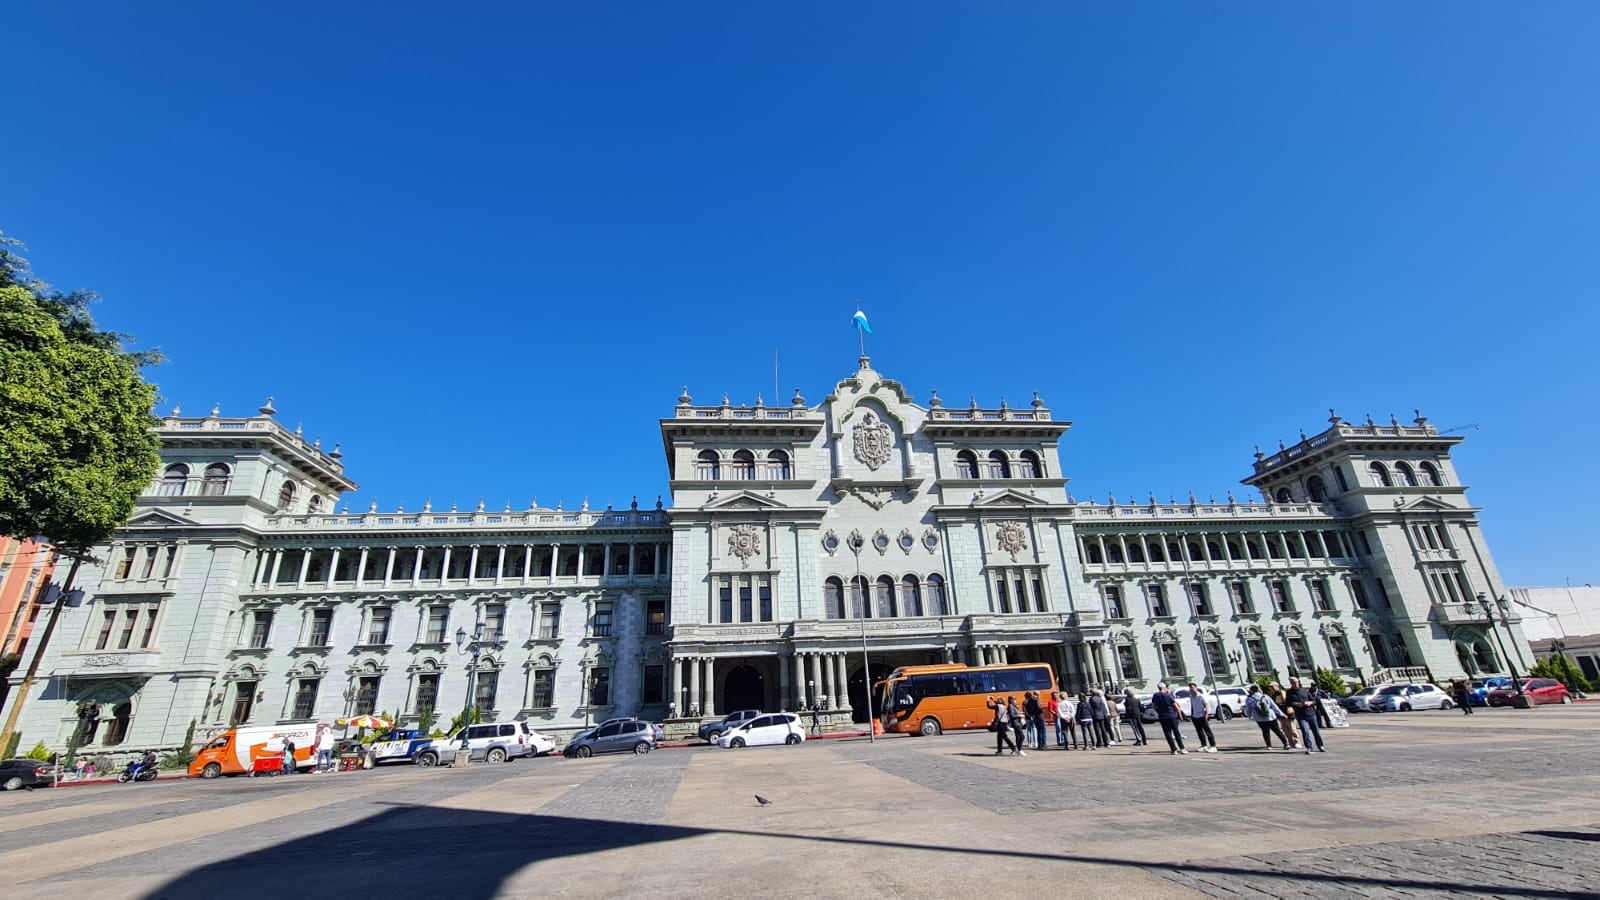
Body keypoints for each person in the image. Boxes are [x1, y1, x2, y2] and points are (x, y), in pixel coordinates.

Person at [1284, 677, 1326, 753]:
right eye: (1293, 682)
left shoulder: (1304, 690)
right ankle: (1309, 747)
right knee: (1305, 731)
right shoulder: (1289, 692)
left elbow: (1314, 701)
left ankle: (1320, 745)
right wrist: (1295, 704)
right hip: (1300, 715)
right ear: (1291, 683)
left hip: (1311, 713)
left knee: (1316, 731)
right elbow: (1287, 703)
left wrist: (1310, 703)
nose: (1295, 684)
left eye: (1296, 682)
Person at [1245, 684, 1290, 749]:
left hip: (1259, 718)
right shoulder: (1265, 696)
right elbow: (1274, 706)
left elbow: (1248, 709)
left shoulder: (1249, 699)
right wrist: (1281, 714)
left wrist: (1249, 716)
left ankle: (1269, 745)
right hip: (1270, 716)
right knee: (1277, 730)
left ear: (1251, 691)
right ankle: (1285, 743)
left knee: (1265, 731)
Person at [1150, 682, 1187, 755]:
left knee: (1168, 734)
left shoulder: (1155, 695)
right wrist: (1181, 716)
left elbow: (1153, 706)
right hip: (1172, 716)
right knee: (1176, 733)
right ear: (1164, 688)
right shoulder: (1168, 696)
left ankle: (1173, 749)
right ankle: (1182, 748)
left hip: (1163, 717)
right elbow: (1176, 707)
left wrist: (1159, 711)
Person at [1185, 682, 1218, 753]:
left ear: (1196, 688)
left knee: (1207, 731)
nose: (1191, 689)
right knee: (1199, 732)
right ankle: (1204, 745)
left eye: (1192, 688)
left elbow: (1206, 706)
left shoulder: (1201, 696)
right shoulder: (1191, 697)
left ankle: (1213, 746)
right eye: (1190, 688)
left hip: (1202, 716)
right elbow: (1192, 706)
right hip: (1195, 717)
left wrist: (1206, 716)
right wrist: (1192, 715)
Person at [1269, 682, 1299, 749]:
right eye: (1271, 687)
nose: (1271, 689)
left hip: (1288, 713)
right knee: (1285, 729)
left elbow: (1287, 702)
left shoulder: (1283, 693)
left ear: (1277, 686)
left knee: (1292, 729)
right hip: (1281, 714)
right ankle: (1291, 742)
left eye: (1272, 687)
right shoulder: (1274, 695)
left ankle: (1297, 741)